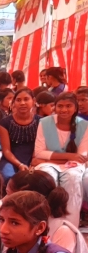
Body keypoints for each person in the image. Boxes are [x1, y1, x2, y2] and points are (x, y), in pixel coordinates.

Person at [33, 92, 87, 227]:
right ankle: (46, 224)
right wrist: (68, 156)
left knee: (73, 177)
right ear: (54, 107)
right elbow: (39, 152)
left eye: (68, 106)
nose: (64, 110)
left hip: (72, 165)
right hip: (49, 164)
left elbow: (81, 157)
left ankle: (70, 226)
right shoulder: (44, 123)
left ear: (75, 108)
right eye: (60, 106)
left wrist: (50, 158)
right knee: (47, 176)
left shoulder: (84, 125)